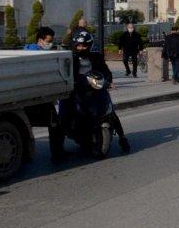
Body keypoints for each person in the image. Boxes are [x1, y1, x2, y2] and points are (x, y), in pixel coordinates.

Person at [49, 29, 130, 159]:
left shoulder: (96, 57)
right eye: (79, 45)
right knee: (60, 120)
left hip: (95, 92)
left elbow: (105, 71)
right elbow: (63, 74)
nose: (81, 48)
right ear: (75, 45)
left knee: (111, 112)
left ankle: (122, 137)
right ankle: (57, 151)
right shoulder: (69, 59)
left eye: (84, 45)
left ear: (90, 45)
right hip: (74, 93)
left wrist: (108, 81)